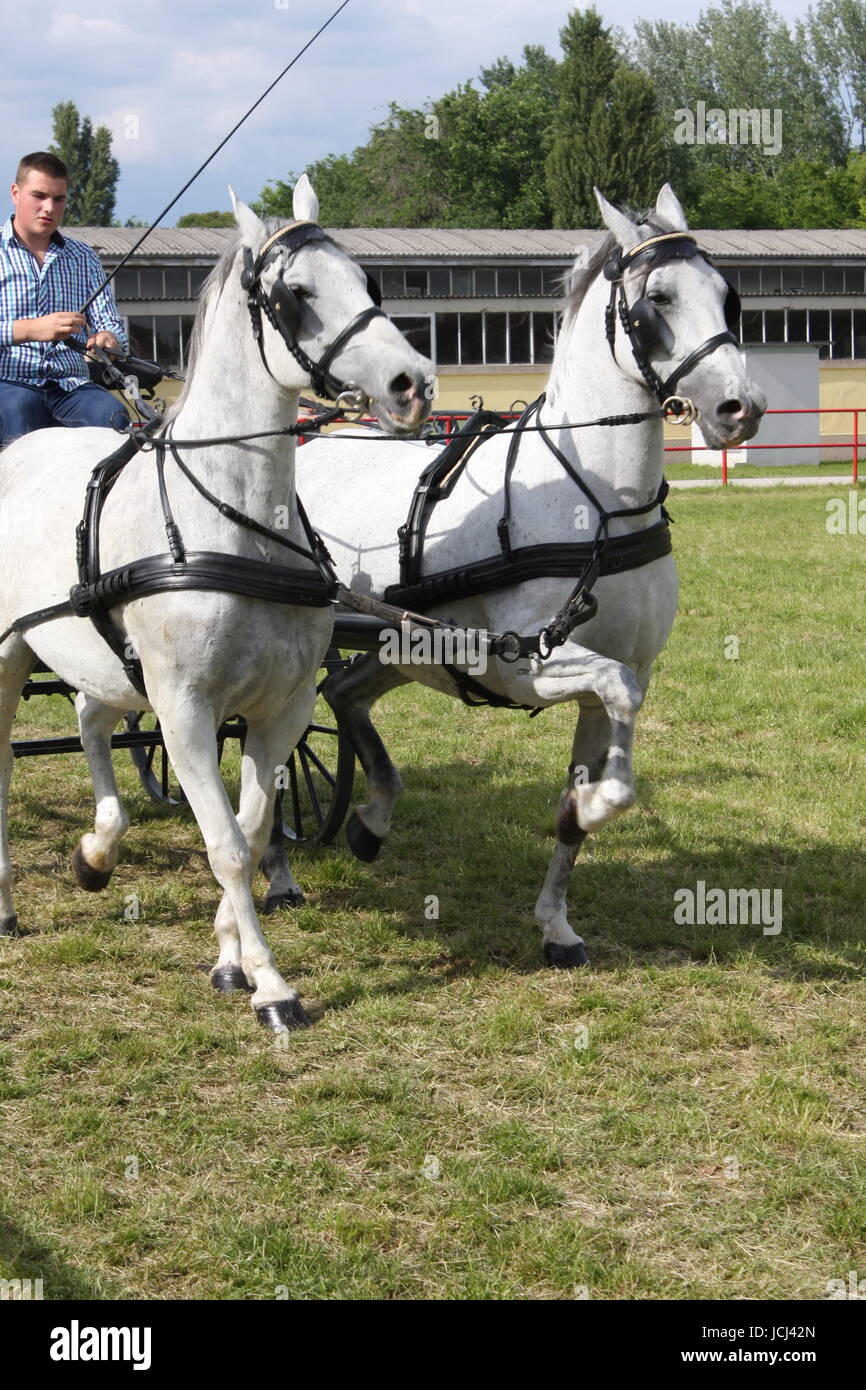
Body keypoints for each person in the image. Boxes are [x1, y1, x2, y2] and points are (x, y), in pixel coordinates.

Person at [0, 150, 129, 448]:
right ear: (15, 193)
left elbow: (109, 322)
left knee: (113, 417)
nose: (49, 207)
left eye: (59, 199)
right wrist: (31, 330)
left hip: (71, 386)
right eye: (39, 195)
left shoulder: (83, 257)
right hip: (10, 383)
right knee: (19, 420)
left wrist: (107, 338)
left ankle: (103, 496)